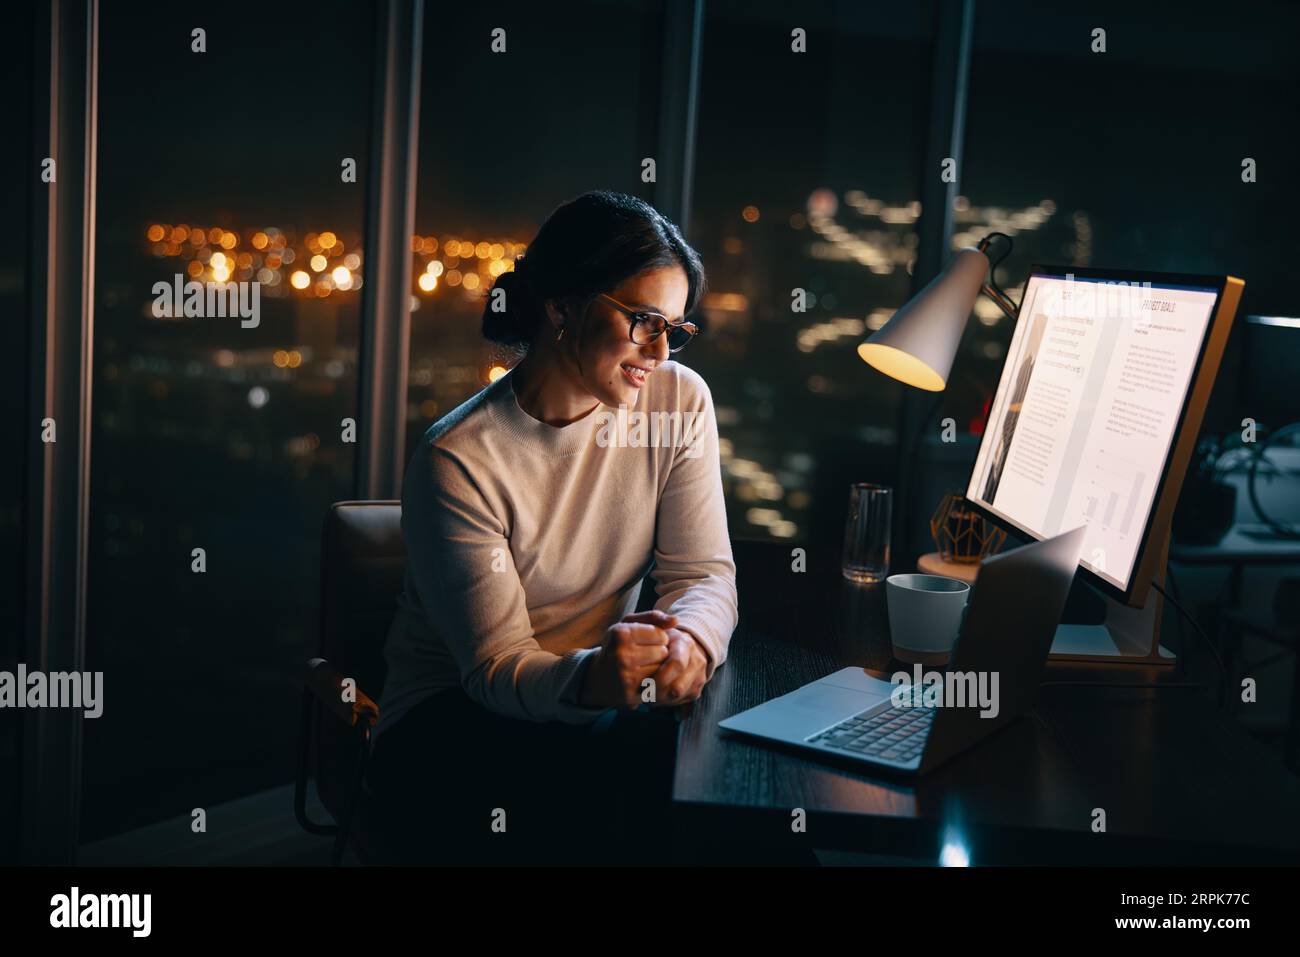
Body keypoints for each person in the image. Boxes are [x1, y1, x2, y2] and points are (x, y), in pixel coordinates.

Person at [365, 190, 739, 865]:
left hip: (596, 702)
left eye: (675, 328)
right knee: (629, 805)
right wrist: (596, 679)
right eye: (644, 320)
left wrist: (691, 642)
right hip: (452, 723)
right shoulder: (460, 457)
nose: (660, 349)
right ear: (562, 306)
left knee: (714, 786)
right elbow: (496, 666)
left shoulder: (679, 401)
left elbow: (702, 573)